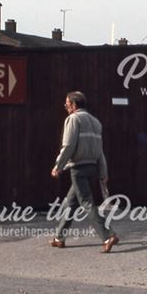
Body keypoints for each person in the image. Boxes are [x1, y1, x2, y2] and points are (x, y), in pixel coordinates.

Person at [49, 91, 119, 253]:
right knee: (70, 202)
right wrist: (103, 171)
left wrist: (58, 166)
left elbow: (68, 145)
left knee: (86, 203)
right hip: (92, 167)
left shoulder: (74, 119)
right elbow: (99, 150)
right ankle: (59, 238)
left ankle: (108, 235)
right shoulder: (96, 122)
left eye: (67, 103)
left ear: (74, 105)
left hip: (78, 168)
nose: (65, 106)